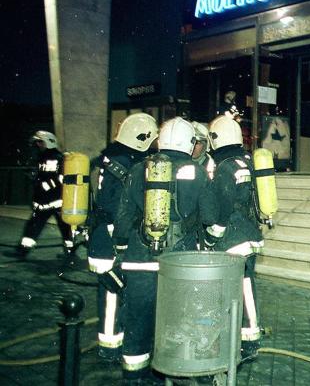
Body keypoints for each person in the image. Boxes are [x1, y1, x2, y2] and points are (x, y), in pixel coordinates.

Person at [113, 117, 216, 385]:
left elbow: (123, 219)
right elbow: (209, 215)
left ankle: (135, 376)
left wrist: (123, 251)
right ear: (189, 142)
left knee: (137, 322)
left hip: (139, 260)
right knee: (179, 322)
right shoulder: (198, 172)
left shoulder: (138, 169)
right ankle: (175, 370)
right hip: (179, 264)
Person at [87, 112, 158, 362]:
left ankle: (112, 340)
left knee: (112, 292)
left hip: (99, 235)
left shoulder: (104, 159)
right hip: (109, 239)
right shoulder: (127, 165)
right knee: (111, 294)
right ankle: (109, 345)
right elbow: (120, 208)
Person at [203, 114, 265, 359]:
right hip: (250, 233)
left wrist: (213, 234)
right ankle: (243, 336)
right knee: (243, 285)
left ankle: (250, 340)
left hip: (233, 237)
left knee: (243, 286)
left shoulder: (226, 166)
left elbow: (223, 205)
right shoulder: (248, 160)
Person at [15, 131, 74, 260]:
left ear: (48, 142)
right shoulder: (43, 157)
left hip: (54, 200)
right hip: (47, 200)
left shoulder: (55, 157)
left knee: (62, 227)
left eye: (40, 142)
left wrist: (44, 186)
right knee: (39, 225)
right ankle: (23, 250)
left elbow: (60, 177)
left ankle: (70, 251)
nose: (38, 145)